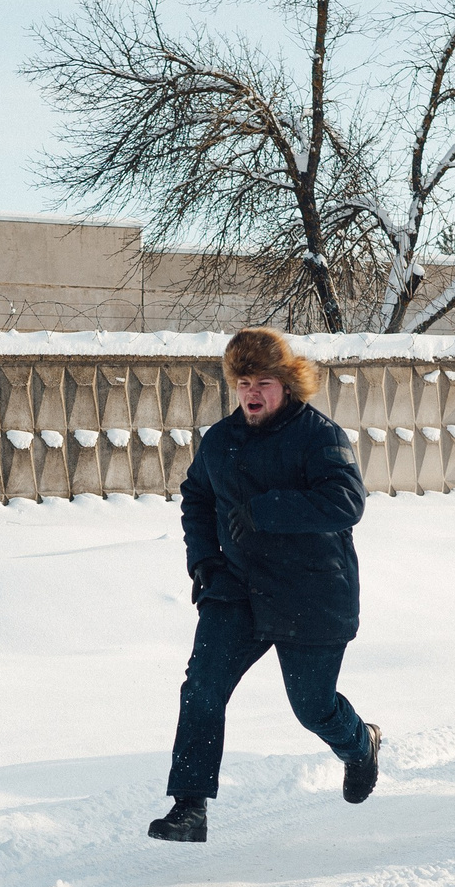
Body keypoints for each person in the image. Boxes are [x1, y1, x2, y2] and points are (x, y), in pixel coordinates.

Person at [150, 328, 379, 843]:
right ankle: (189, 806)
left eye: (263, 383)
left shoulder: (319, 436)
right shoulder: (220, 439)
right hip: (238, 588)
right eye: (244, 383)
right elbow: (197, 499)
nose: (252, 393)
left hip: (311, 592)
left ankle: (360, 744)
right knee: (202, 687)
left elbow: (347, 501)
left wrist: (266, 509)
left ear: (287, 384)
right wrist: (203, 561)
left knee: (313, 707)